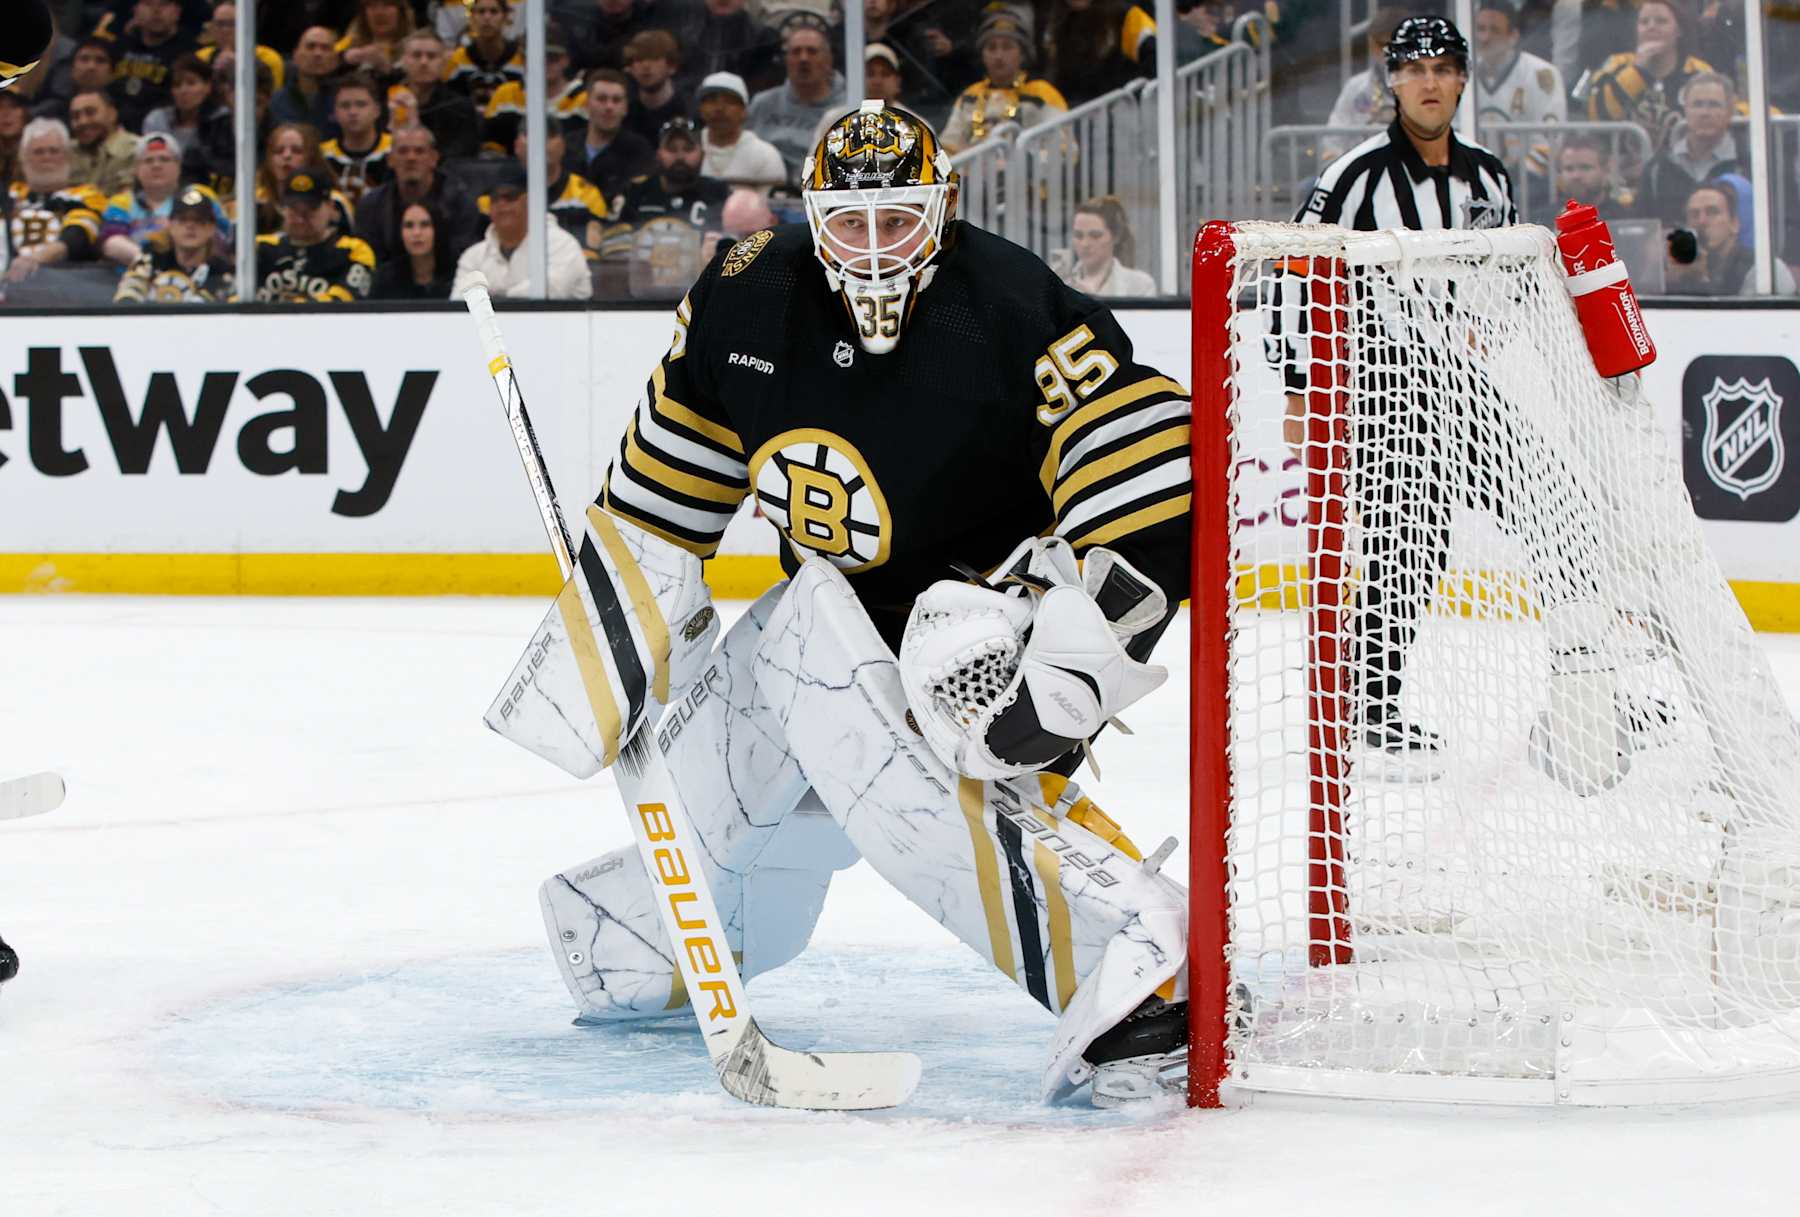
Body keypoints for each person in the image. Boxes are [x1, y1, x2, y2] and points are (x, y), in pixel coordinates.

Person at [513, 101, 1193, 1108]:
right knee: (795, 640)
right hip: (828, 622)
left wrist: (1067, 673)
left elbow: (1149, 480)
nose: (874, 253)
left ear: (944, 209)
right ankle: (643, 935)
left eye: (900, 223)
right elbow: (662, 499)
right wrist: (602, 648)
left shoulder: (1006, 304)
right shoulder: (745, 298)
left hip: (975, 649)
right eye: (852, 225)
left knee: (902, 644)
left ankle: (1144, 972)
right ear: (812, 216)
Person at [1279, 16, 1517, 764]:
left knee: (1554, 507)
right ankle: (1369, 702)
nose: (1430, 83)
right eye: (1416, 69)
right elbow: (1293, 278)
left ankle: (1596, 670)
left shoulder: (1490, 177)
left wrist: (1489, 332)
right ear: (1391, 81)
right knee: (1408, 542)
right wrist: (1297, 387)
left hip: (1463, 381)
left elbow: (1503, 277)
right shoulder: (1350, 177)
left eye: (1445, 69)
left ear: (1462, 80)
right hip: (1384, 382)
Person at [1585, 0, 1715, 153]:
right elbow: (1597, 114)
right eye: (1644, 22)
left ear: (1678, 30)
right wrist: (1638, 71)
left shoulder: (1699, 72)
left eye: (1661, 21)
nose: (1651, 26)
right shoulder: (1615, 65)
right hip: (1623, 169)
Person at [450, 160, 593, 299]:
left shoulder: (561, 244)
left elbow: (552, 290)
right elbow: (458, 303)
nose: (501, 205)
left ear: (530, 201)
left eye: (510, 197)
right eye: (495, 199)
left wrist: (497, 298)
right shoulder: (474, 256)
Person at [940, 7, 1068, 153]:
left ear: (1023, 54)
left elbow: (1065, 148)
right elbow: (947, 146)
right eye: (991, 48)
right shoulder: (969, 95)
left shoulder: (1043, 92)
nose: (999, 56)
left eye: (1007, 47)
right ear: (983, 55)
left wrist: (1023, 164)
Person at [354, 124, 483, 263]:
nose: (411, 158)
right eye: (403, 151)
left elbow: (467, 257)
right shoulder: (371, 206)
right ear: (390, 160)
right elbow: (368, 259)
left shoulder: (460, 202)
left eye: (419, 151)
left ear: (434, 158)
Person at [4, 118, 108, 283]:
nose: (47, 157)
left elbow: (77, 236)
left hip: (65, 286)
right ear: (23, 158)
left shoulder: (87, 195)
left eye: (54, 151)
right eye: (38, 151)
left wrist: (34, 260)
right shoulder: (8, 195)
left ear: (68, 157)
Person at [1471, 0, 1564, 181]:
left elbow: (1549, 142)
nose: (1485, 37)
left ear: (1513, 36)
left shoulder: (1541, 75)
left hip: (1527, 186)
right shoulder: (1461, 74)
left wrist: (1511, 180)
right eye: (1480, 29)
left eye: (1494, 30)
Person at [745, 14, 846, 178]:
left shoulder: (846, 109)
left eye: (812, 51)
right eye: (796, 52)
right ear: (786, 60)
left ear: (829, 60)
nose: (803, 59)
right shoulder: (762, 103)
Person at [253, 170, 377, 302]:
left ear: (330, 207)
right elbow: (234, 295)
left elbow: (342, 302)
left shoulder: (353, 251)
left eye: (310, 210)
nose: (300, 219)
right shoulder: (259, 247)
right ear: (283, 208)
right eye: (294, 210)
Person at [1640, 70, 1744, 226]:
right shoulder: (1656, 169)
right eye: (1697, 104)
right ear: (1685, 110)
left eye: (1714, 105)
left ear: (1730, 112)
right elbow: (1645, 229)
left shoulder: (1749, 163)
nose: (1704, 113)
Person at [1666, 179, 1799, 295]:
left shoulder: (1763, 270)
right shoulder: (1679, 266)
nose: (1702, 221)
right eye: (1694, 214)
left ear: (1735, 223)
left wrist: (1701, 281)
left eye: (1712, 212)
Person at [113, 182, 235, 301]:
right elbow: (129, 292)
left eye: (199, 220)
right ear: (170, 225)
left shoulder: (223, 272)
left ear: (211, 228)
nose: (190, 226)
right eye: (182, 220)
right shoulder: (150, 259)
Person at [484, 27, 586, 154]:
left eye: (552, 58)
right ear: (523, 60)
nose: (543, 64)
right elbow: (490, 151)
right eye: (535, 57)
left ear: (565, 60)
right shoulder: (505, 95)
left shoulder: (583, 99)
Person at [514, 117, 610, 251]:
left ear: (563, 145)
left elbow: (598, 247)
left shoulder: (587, 194)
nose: (540, 142)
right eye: (530, 135)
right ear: (517, 146)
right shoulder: (499, 198)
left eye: (550, 136)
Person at [98, 130, 187, 268]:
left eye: (164, 159)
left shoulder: (196, 197)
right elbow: (111, 242)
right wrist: (148, 262)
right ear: (136, 169)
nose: (156, 165)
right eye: (148, 160)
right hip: (130, 280)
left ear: (179, 166)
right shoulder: (121, 202)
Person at [1044, 0, 1157, 108]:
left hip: (1122, 115)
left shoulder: (1126, 16)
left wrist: (1125, 94)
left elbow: (1158, 62)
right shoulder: (1055, 26)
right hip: (1075, 119)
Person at [388, 30, 481, 159]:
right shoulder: (386, 101)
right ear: (403, 61)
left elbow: (460, 157)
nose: (424, 62)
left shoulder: (460, 108)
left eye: (431, 56)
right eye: (416, 55)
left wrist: (415, 125)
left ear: (443, 62)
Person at [112, 0, 199, 132]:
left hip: (165, 128)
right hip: (116, 127)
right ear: (135, 11)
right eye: (148, 3)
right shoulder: (119, 47)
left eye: (164, 4)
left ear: (177, 12)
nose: (156, 11)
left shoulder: (190, 53)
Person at [1324, 7, 1409, 142]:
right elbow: (1333, 138)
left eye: (1393, 45)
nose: (1386, 52)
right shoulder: (1356, 87)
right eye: (1379, 45)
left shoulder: (1428, 86)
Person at [696, 71, 786, 192]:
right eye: (711, 100)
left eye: (729, 101)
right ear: (700, 109)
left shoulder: (765, 156)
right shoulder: (687, 149)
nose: (719, 108)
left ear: (744, 111)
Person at [578, 66, 654, 203]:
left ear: (625, 108)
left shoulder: (639, 150)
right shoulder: (566, 147)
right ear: (586, 104)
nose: (609, 107)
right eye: (601, 99)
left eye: (616, 100)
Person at [1060, 195, 1155, 296]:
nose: (1085, 244)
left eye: (1095, 236)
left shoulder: (1141, 285)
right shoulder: (1060, 283)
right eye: (1078, 235)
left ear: (1116, 236)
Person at [322, 73, 394, 207]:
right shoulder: (321, 156)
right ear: (335, 113)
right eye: (345, 105)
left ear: (377, 110)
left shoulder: (396, 149)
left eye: (361, 105)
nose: (353, 112)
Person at [446, 0, 525, 109]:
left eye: (494, 12)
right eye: (481, 12)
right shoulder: (457, 60)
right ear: (472, 17)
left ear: (506, 17)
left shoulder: (521, 59)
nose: (487, 17)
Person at [269, 25, 342, 138]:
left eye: (325, 48)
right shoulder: (274, 102)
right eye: (310, 47)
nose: (318, 53)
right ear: (295, 55)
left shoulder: (345, 101)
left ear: (335, 59)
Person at [372, 199, 455, 297]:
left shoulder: (457, 274)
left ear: (437, 229)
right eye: (409, 225)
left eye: (425, 224)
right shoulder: (384, 278)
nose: (417, 233)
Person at [193, 3, 285, 92]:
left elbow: (270, 100)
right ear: (212, 27)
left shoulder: (268, 58)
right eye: (220, 24)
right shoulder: (201, 57)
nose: (225, 30)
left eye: (232, 23)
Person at [620, 30, 687, 147]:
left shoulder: (688, 110)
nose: (646, 66)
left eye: (654, 59)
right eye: (639, 59)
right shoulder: (624, 111)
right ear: (630, 68)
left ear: (671, 66)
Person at [67, 90, 138, 197]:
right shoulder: (65, 153)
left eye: (90, 113)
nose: (82, 121)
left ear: (112, 114)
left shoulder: (137, 150)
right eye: (75, 116)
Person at [1555, 130, 1639, 220]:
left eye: (1585, 168)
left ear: (1605, 170)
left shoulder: (1626, 220)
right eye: (1569, 169)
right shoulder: (1545, 222)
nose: (1576, 175)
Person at [141, 53, 218, 150]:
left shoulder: (221, 120)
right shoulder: (157, 119)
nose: (183, 91)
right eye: (177, 85)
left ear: (208, 86)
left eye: (191, 83)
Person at [339, 0, 417, 79]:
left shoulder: (417, 46)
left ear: (401, 12)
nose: (379, 13)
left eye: (387, 5)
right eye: (372, 6)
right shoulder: (349, 43)